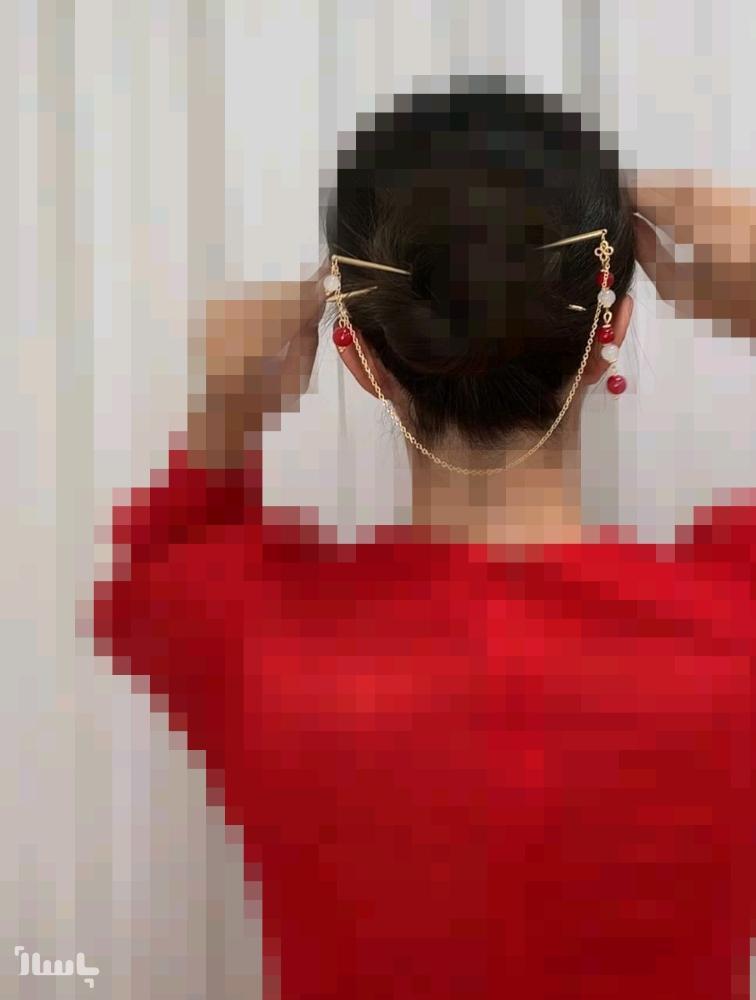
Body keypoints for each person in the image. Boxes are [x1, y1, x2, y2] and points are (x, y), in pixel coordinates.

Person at [93, 82, 756, 999]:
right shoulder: (736, 626)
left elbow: (157, 562)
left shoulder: (252, 640)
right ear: (612, 333)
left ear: (358, 355)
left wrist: (225, 411)